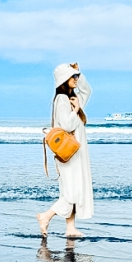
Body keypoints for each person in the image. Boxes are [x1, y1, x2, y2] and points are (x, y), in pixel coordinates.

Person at [38, 63, 94, 238]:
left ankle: (70, 228)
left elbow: (88, 91)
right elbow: (67, 124)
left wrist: (79, 71)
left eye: (76, 77)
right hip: (69, 155)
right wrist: (76, 109)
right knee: (71, 193)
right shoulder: (62, 99)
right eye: (73, 77)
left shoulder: (71, 97)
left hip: (75, 154)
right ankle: (45, 216)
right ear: (64, 80)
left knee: (72, 190)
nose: (76, 79)